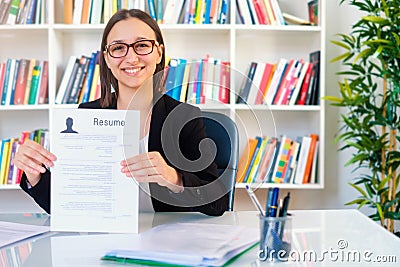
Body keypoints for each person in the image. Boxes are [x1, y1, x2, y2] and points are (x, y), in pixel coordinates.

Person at [13, 9, 229, 216]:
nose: (131, 58)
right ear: (106, 58)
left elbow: (217, 202)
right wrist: (35, 175)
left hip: (167, 243)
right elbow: (66, 205)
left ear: (159, 52)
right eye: (118, 48)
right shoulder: (87, 115)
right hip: (104, 240)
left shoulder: (184, 117)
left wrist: (173, 178)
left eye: (142, 45)